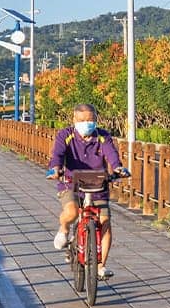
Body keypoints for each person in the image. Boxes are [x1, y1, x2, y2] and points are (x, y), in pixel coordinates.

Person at [48, 104, 128, 280]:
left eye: (91, 120)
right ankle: (64, 229)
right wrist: (56, 169)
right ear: (74, 120)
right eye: (83, 120)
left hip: (97, 184)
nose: (87, 124)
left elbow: (112, 155)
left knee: (105, 221)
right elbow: (58, 155)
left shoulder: (103, 136)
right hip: (71, 183)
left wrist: (118, 168)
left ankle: (101, 266)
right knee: (72, 212)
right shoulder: (65, 135)